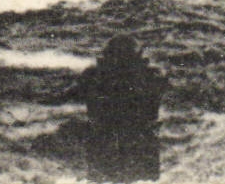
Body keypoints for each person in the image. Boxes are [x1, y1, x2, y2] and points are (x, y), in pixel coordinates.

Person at [71, 35, 167, 182]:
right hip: (141, 140)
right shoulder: (152, 76)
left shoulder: (92, 75)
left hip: (103, 139)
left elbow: (73, 94)